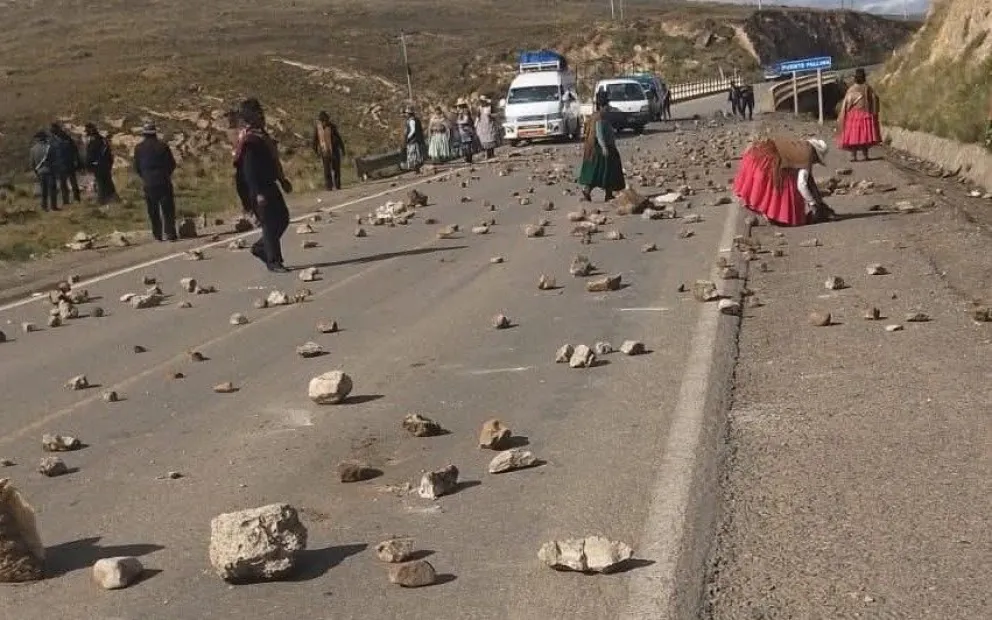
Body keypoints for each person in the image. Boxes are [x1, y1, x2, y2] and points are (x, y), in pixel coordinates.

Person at [235, 99, 291, 273]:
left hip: (270, 184)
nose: (262, 116)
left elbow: (273, 161)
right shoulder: (250, 141)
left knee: (282, 218)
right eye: (258, 113)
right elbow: (249, 171)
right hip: (259, 188)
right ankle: (274, 261)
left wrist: (282, 180)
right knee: (269, 223)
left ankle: (261, 248)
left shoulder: (261, 136)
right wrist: (257, 193)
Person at [733, 136, 836, 226]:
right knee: (785, 187)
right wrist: (812, 203)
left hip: (757, 156)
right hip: (769, 163)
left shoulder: (799, 147)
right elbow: (801, 185)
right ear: (815, 155)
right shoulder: (806, 158)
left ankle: (768, 215)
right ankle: (775, 216)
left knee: (765, 191)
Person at [133, 122, 178, 241]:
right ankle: (170, 233)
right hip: (163, 180)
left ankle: (157, 234)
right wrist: (166, 174)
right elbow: (171, 164)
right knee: (167, 208)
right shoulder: (162, 146)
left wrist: (145, 176)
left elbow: (137, 166)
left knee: (153, 210)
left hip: (148, 182)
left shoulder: (139, 148)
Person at [578, 89, 625, 202]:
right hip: (600, 149)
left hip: (597, 148)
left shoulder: (598, 116)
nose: (608, 107)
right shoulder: (599, 117)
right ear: (602, 106)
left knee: (603, 171)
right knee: (604, 171)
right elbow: (599, 134)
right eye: (606, 105)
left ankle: (605, 193)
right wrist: (604, 147)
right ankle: (598, 192)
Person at [837, 68, 881, 162]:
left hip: (853, 116)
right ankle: (865, 155)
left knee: (854, 136)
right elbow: (875, 99)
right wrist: (874, 112)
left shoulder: (851, 89)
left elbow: (847, 103)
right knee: (865, 136)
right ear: (864, 77)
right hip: (866, 115)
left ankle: (853, 156)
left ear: (855, 78)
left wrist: (842, 116)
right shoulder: (868, 88)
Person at [84, 123, 118, 204]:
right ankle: (114, 199)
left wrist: (88, 165)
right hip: (105, 164)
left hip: (99, 165)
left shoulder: (95, 142)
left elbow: (91, 155)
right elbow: (109, 155)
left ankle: (102, 201)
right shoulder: (102, 140)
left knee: (101, 183)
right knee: (107, 182)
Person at [312, 111, 346, 190]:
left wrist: (342, 149)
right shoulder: (318, 129)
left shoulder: (332, 127)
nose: (325, 122)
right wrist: (315, 151)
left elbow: (339, 138)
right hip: (324, 152)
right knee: (327, 170)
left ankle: (338, 185)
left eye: (326, 120)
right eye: (323, 121)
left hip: (334, 150)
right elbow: (314, 140)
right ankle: (329, 186)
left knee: (336, 168)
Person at [50, 123, 82, 204]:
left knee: (68, 183)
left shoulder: (61, 139)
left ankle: (72, 200)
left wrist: (77, 161)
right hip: (64, 164)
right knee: (67, 183)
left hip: (65, 164)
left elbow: (74, 150)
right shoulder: (60, 139)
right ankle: (71, 200)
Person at [29, 131, 58, 212]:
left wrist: (36, 172)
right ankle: (53, 206)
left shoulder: (33, 149)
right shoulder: (49, 147)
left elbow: (32, 164)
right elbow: (54, 159)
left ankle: (44, 207)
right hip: (50, 170)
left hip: (40, 172)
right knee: (52, 189)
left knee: (43, 190)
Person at [455, 98, 479, 164]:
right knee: (465, 145)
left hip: (466, 130)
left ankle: (469, 159)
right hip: (463, 131)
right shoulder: (461, 112)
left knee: (467, 144)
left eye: (458, 106)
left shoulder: (465, 111)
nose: (457, 107)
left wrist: (458, 122)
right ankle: (467, 158)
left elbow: (466, 120)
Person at [403, 106, 426, 173]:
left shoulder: (412, 121)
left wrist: (408, 137)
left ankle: (416, 168)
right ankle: (417, 168)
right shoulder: (415, 119)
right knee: (416, 153)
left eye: (407, 113)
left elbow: (413, 130)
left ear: (409, 114)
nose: (406, 114)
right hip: (417, 139)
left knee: (414, 153)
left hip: (413, 140)